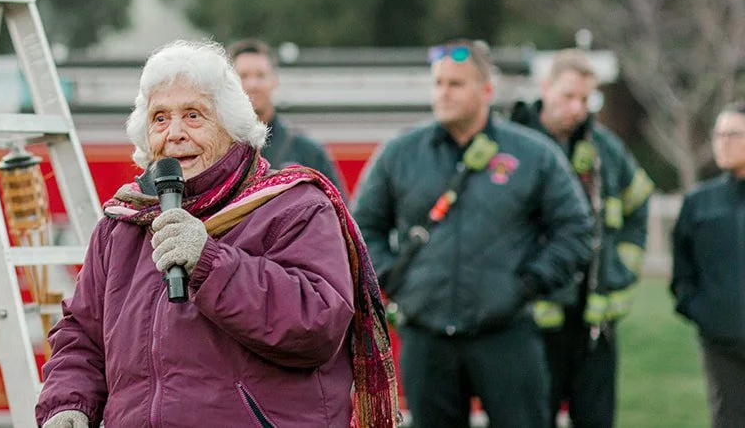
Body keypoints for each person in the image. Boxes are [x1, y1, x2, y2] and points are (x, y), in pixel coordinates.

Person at [35, 40, 399, 428]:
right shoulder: (121, 225)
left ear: (232, 127)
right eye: (160, 118)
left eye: (193, 116)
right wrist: (69, 403)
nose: (174, 133)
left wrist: (209, 263)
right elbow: (81, 334)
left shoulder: (295, 207)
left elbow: (317, 323)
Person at [352, 40, 593, 428]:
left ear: (486, 91)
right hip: (425, 336)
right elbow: (361, 228)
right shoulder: (400, 154)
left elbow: (576, 231)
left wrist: (527, 284)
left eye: (456, 84)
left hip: (506, 334)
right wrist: (397, 282)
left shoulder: (534, 155)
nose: (443, 93)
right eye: (438, 83)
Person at [510, 49, 653, 428]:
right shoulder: (514, 144)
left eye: (584, 99)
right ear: (545, 88)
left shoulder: (604, 149)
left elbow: (638, 201)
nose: (577, 108)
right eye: (567, 96)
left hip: (593, 319)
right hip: (530, 318)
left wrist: (623, 266)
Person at [671, 102, 745, 428]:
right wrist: (702, 312)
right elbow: (682, 272)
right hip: (721, 342)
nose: (722, 141)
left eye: (733, 134)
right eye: (718, 134)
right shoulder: (699, 203)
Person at [230, 38, 346, 192]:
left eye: (260, 75)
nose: (253, 84)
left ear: (275, 81)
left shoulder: (307, 151)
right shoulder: (215, 151)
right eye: (243, 76)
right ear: (229, 84)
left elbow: (339, 211)